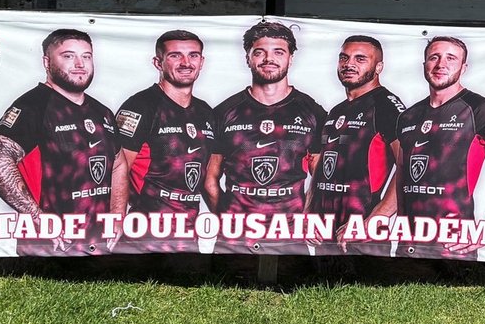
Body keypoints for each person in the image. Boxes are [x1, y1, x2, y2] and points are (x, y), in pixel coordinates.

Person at [377, 36, 485, 259]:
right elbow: (403, 176)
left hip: (454, 247)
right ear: (424, 65)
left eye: (451, 58)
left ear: (463, 67)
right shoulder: (408, 116)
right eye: (434, 57)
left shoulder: (479, 109)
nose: (441, 65)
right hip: (409, 245)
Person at [0, 29, 117, 257]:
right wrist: (39, 218)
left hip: (98, 243)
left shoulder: (101, 110)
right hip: (52, 247)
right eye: (68, 56)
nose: (79, 64)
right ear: (46, 61)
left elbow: (119, 164)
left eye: (86, 56)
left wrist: (116, 216)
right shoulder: (33, 106)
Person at [206, 20, 325, 251]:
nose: (269, 59)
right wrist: (225, 219)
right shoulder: (223, 112)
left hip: (290, 235)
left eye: (278, 52)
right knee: (225, 288)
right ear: (247, 58)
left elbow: (320, 174)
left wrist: (309, 214)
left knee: (295, 288)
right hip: (234, 239)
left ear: (291, 58)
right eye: (259, 52)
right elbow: (209, 178)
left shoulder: (312, 112)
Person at [111, 30, 217, 254]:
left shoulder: (206, 112)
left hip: (188, 234)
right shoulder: (139, 106)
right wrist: (115, 219)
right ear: (158, 62)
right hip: (143, 234)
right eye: (175, 56)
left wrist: (229, 221)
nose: (186, 63)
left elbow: (207, 176)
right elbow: (116, 168)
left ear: (202, 62)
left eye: (193, 55)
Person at [310, 35, 405, 248]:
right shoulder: (336, 110)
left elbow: (408, 165)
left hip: (363, 235)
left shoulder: (386, 106)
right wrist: (308, 213)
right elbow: (322, 168)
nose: (349, 64)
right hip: (324, 231)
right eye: (344, 58)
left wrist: (375, 220)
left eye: (360, 59)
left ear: (379, 67)